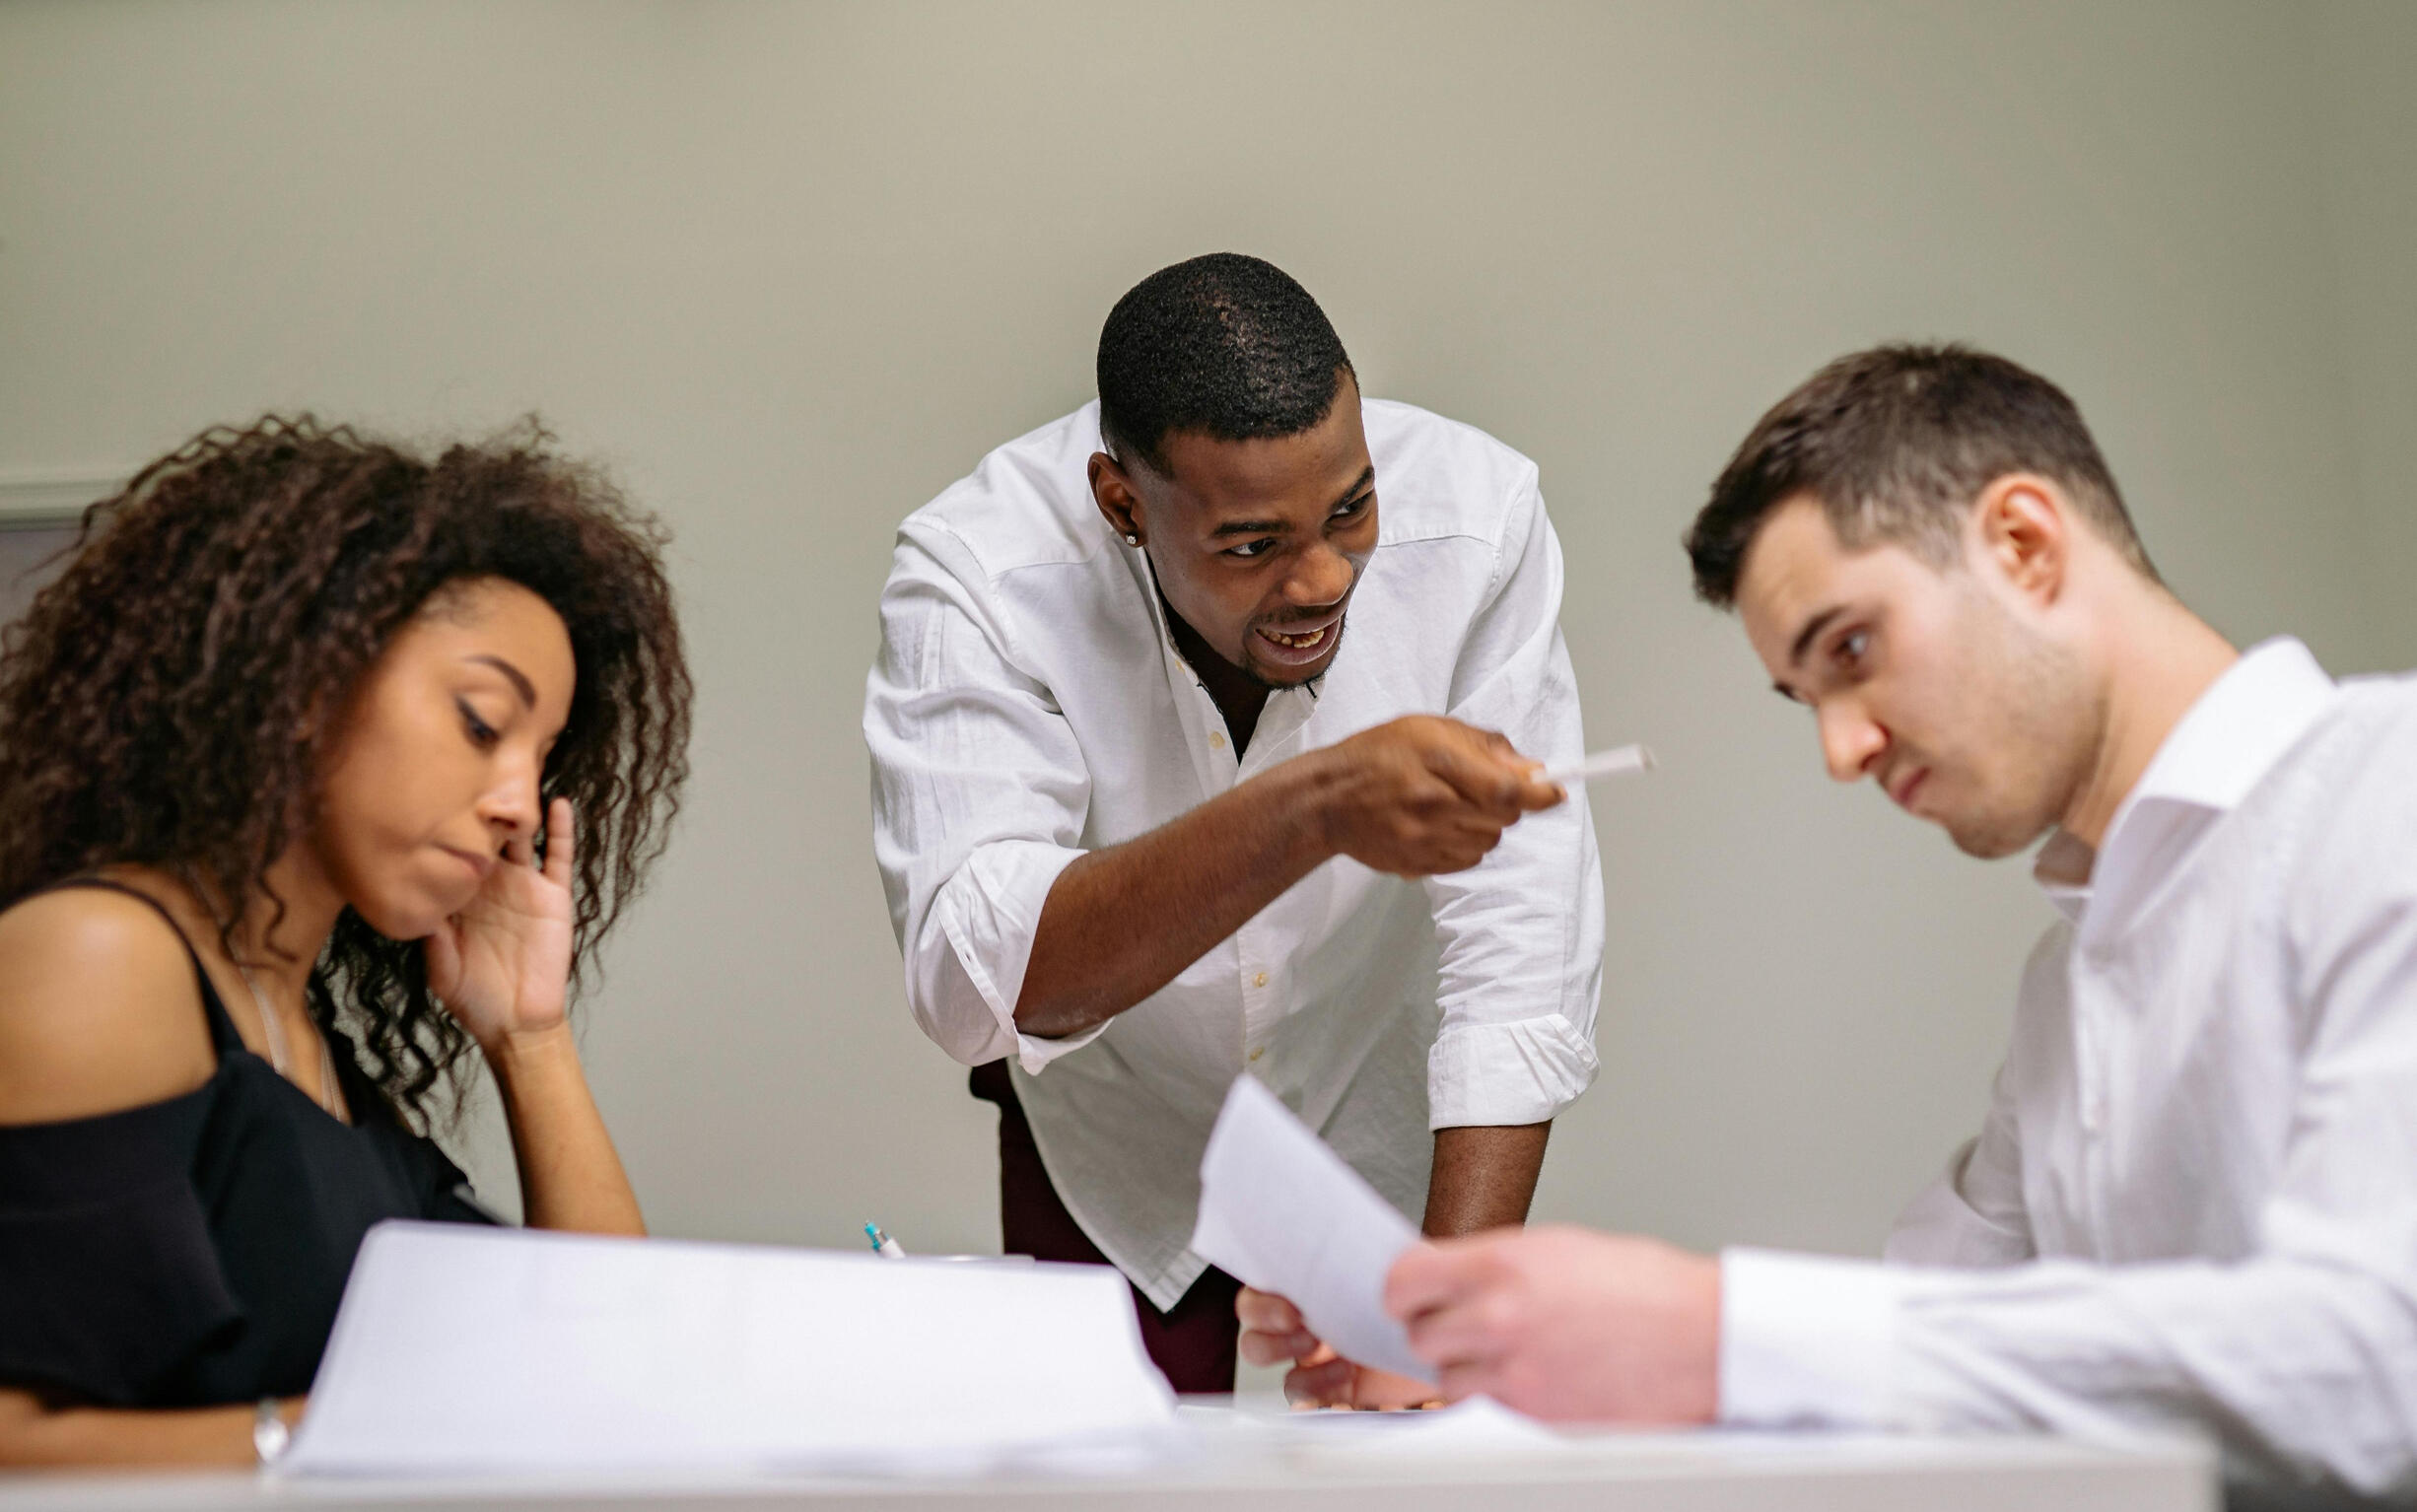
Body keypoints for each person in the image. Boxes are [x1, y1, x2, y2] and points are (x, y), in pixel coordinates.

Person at [1321, 343, 2417, 1499]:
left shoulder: (2386, 793)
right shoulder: (2070, 986)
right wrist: (1510, 1344)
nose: (1842, 751)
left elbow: (2375, 1362)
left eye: (1851, 649)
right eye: (1808, 697)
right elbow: (1925, 1333)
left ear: (2024, 546)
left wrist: (1710, 1333)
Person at [865, 253, 1605, 1396]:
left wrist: (1445, 1319)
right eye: (1253, 545)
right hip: (1115, 1132)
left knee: (1406, 1453)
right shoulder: (982, 572)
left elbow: (1521, 944)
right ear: (1122, 501)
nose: (1321, 580)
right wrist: (1314, 805)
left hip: (1378, 1084)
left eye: (1350, 509)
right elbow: (974, 989)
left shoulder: (1476, 520)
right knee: (1111, 1477)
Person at [0, 417, 692, 1467]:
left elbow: (604, 1351)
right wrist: (343, 1440)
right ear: (304, 677)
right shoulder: (103, 957)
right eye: (479, 721)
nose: (518, 801)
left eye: (541, 756)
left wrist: (529, 1033)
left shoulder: (305, 1041)